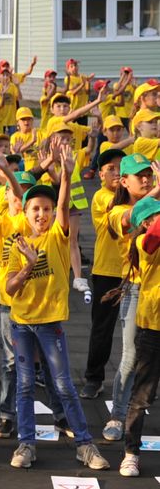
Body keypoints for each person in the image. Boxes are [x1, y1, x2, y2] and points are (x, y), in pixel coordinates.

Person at [4, 146, 109, 471]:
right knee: (24, 385)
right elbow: (9, 288)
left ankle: (84, 445)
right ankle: (26, 444)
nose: (41, 214)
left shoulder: (57, 237)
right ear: (25, 212)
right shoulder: (18, 244)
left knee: (63, 384)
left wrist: (66, 174)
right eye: (35, 209)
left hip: (50, 324)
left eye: (46, 209)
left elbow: (64, 206)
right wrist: (27, 265)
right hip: (22, 324)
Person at [119, 196, 160, 476]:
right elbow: (153, 239)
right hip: (153, 329)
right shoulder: (144, 242)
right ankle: (131, 453)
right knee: (143, 395)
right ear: (145, 223)